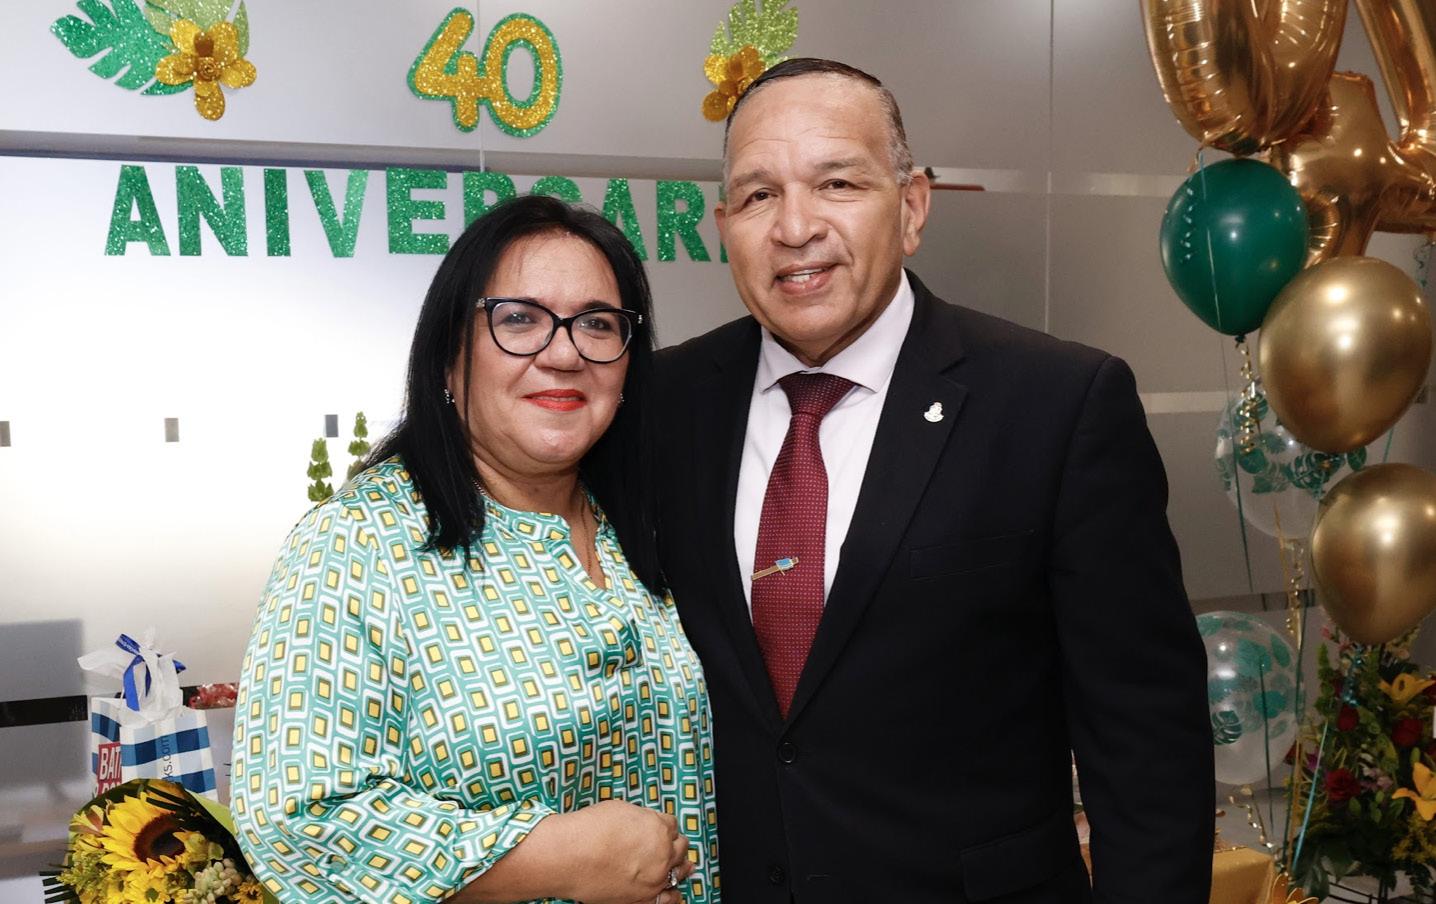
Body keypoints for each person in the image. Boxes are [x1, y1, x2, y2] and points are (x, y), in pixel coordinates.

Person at [654, 58, 1213, 903]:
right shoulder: (665, 403)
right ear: (724, 225)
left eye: (838, 183)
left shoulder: (1057, 404)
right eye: (760, 195)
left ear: (912, 206)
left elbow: (1147, 742)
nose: (796, 227)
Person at [232, 195, 718, 904]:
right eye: (519, 319)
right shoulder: (360, 542)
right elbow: (301, 823)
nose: (564, 353)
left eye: (597, 323)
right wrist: (559, 859)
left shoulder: (642, 520)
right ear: (449, 356)